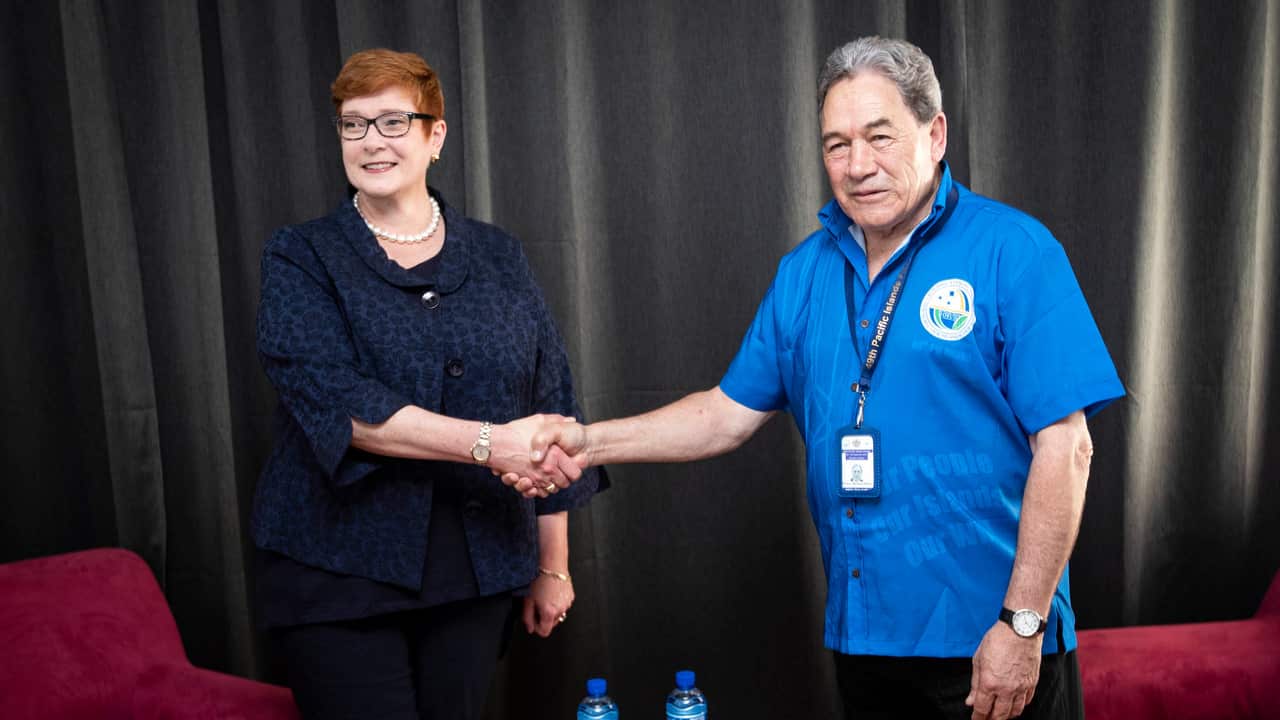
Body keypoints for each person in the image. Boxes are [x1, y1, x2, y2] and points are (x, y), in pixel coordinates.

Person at [516, 36, 1123, 720]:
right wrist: (586, 442)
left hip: (991, 642)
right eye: (836, 144)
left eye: (879, 136)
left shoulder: (1013, 251)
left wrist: (1022, 624)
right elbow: (724, 414)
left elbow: (1066, 447)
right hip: (864, 641)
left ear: (936, 133)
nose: (858, 165)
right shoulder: (804, 272)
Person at [252, 48, 605, 720]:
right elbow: (338, 405)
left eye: (392, 121)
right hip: (337, 572)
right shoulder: (301, 255)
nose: (370, 142)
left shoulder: (498, 254)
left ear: (435, 135)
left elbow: (551, 403)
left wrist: (551, 562)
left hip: (476, 573)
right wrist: (489, 444)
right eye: (353, 125)